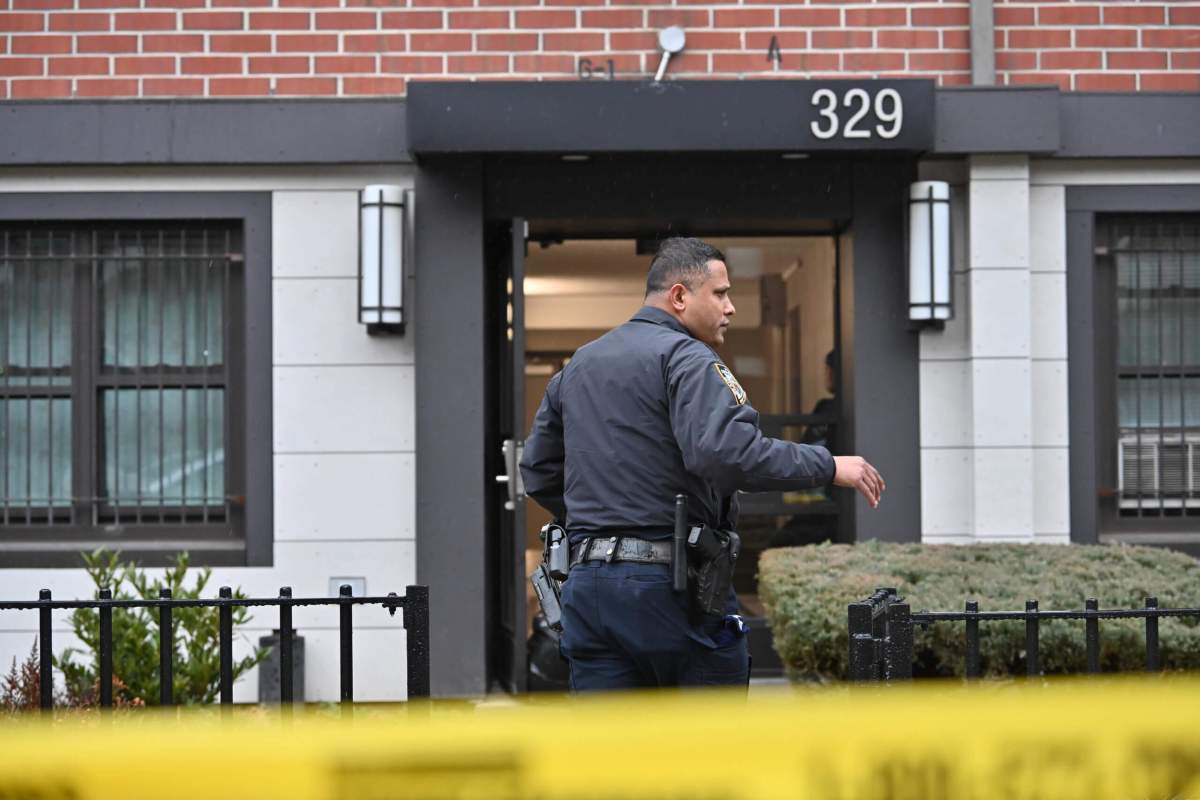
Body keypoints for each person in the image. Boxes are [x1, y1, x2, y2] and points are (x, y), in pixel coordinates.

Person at [519, 237, 885, 691]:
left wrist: (607, 519)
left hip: (589, 588)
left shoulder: (578, 366)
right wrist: (828, 465)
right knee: (707, 752)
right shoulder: (686, 357)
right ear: (679, 296)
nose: (730, 308)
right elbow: (728, 454)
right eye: (721, 293)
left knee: (611, 755)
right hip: (670, 590)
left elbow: (536, 469)